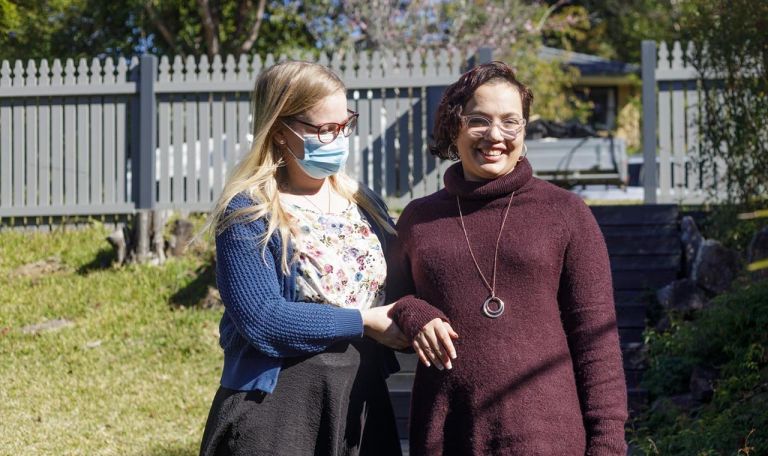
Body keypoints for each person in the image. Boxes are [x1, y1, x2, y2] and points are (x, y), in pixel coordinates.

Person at [388, 61, 628, 455]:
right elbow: (387, 305)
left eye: (510, 122)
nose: (495, 135)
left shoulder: (566, 213)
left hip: (549, 437)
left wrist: (607, 445)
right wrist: (413, 311)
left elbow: (596, 340)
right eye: (479, 121)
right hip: (447, 435)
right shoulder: (419, 218)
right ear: (455, 126)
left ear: (525, 130)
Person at [199, 60, 407, 456]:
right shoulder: (249, 212)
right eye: (325, 130)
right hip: (280, 412)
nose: (340, 138)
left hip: (358, 405)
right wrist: (362, 322)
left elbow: (399, 285)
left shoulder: (363, 203)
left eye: (345, 124)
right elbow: (262, 320)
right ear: (280, 131)